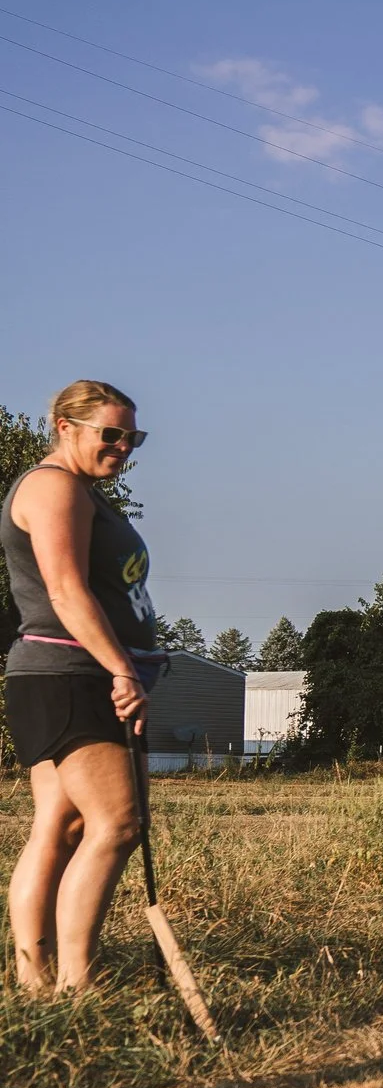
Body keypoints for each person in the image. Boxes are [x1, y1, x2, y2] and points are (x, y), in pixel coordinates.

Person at [3, 381, 162, 993]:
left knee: (62, 827)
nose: (124, 447)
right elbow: (67, 591)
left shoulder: (82, 492)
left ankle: (35, 982)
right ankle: (76, 983)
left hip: (69, 673)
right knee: (118, 824)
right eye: (111, 434)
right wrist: (121, 668)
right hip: (71, 675)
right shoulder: (54, 487)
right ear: (65, 427)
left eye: (133, 437)